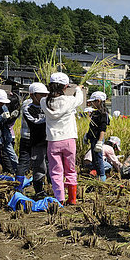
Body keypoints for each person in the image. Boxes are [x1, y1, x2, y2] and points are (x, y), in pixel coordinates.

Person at [41, 72, 84, 205]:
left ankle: (59, 198)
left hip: (53, 141)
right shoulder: (70, 100)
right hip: (69, 139)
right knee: (70, 169)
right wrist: (78, 89)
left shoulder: (44, 102)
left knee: (56, 171)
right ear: (65, 87)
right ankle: (72, 199)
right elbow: (80, 99)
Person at [24, 82, 50, 198]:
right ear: (32, 95)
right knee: (39, 166)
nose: (44, 97)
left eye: (45, 95)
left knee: (52, 166)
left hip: (50, 141)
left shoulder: (48, 107)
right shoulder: (28, 109)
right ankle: (39, 191)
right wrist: (49, 119)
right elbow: (35, 123)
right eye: (41, 95)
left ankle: (54, 189)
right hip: (37, 141)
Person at [84, 91, 109, 182]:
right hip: (93, 139)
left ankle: (102, 177)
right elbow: (92, 127)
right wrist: (87, 135)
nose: (91, 104)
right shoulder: (95, 113)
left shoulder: (103, 114)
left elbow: (103, 129)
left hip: (97, 139)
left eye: (93, 102)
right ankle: (97, 175)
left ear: (98, 101)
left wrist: (100, 141)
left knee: (98, 159)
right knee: (94, 159)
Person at [15, 98, 33, 184]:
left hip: (25, 136)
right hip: (34, 137)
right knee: (42, 161)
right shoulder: (31, 104)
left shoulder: (26, 102)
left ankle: (18, 185)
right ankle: (19, 185)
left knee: (23, 161)